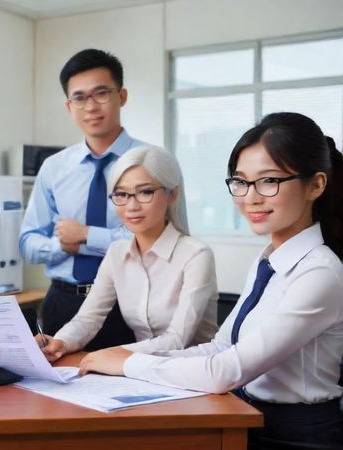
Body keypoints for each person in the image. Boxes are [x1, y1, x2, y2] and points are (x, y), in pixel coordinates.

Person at [79, 112, 343, 449]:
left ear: (316, 185)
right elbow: (220, 347)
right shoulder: (268, 261)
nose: (251, 197)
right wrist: (121, 357)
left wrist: (129, 363)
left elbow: (225, 370)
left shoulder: (320, 272)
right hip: (247, 416)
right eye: (241, 182)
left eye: (269, 180)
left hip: (297, 436)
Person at [20, 48, 148, 349]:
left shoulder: (151, 162)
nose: (90, 106)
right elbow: (28, 243)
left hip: (129, 303)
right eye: (79, 97)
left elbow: (160, 241)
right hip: (62, 303)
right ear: (69, 106)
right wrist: (60, 245)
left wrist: (87, 235)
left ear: (122, 96)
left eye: (101, 93)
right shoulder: (54, 167)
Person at [37, 146, 217, 360]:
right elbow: (88, 318)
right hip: (141, 369)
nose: (132, 206)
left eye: (145, 192)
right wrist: (61, 341)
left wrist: (111, 354)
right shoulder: (117, 253)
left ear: (172, 194)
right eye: (121, 194)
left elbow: (177, 340)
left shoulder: (196, 255)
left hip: (195, 370)